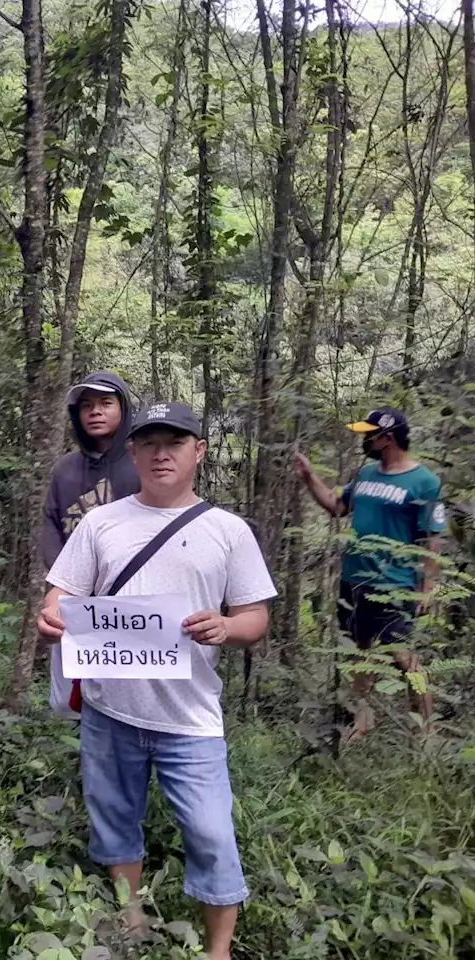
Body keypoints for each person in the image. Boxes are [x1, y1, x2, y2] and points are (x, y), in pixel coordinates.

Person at [37, 402, 276, 960]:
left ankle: (218, 951)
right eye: (150, 443)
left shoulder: (227, 531)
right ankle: (131, 915)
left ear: (199, 451)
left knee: (213, 835)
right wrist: (54, 614)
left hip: (189, 717)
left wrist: (227, 626)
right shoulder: (101, 523)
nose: (162, 453)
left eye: (176, 441)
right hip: (109, 708)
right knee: (115, 819)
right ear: (134, 452)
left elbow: (255, 617)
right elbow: (63, 592)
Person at [294, 406, 444, 739]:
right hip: (354, 581)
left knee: (403, 658)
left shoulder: (425, 483)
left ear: (388, 438)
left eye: (369, 434)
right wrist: (309, 477)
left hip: (394, 584)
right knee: (359, 654)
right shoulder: (366, 475)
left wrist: (427, 588)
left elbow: (432, 539)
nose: (364, 440)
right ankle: (361, 722)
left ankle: (427, 733)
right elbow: (337, 507)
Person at [39, 371, 141, 714]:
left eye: (105, 403)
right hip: (73, 597)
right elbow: (50, 524)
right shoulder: (65, 469)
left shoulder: (141, 465)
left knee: (122, 693)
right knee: (70, 698)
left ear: (123, 409)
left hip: (126, 601)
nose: (95, 411)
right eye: (87, 405)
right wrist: (65, 581)